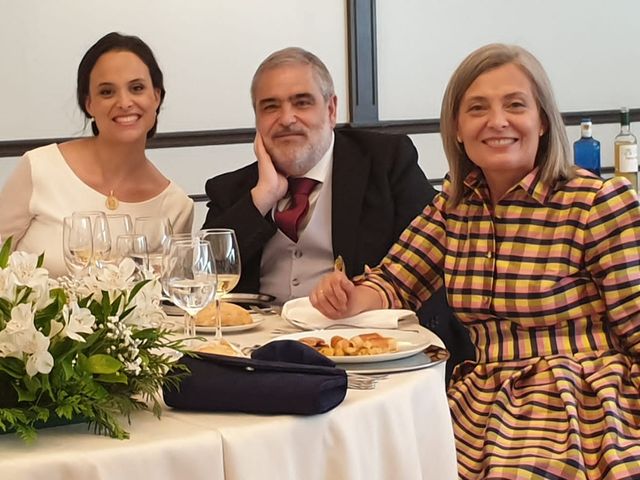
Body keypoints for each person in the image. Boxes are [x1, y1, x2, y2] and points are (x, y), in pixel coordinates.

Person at [311, 43, 640, 479]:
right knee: (368, 458)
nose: (497, 121)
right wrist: (347, 297)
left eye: (515, 105)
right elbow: (394, 281)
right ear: (458, 129)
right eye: (478, 108)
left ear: (543, 121)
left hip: (580, 403)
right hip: (481, 399)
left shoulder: (597, 202)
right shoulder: (454, 207)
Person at [202, 47, 473, 378]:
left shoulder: (385, 162)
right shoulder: (234, 190)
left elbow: (430, 266)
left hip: (363, 357)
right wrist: (263, 197)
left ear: (331, 109)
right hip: (257, 363)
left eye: (302, 102)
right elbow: (201, 278)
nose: (286, 118)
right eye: (270, 107)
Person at [0, 32, 193, 277]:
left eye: (136, 88)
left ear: (156, 96)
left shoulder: (176, 206)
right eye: (107, 92)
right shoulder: (40, 168)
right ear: (89, 104)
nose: (124, 102)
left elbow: (169, 307)